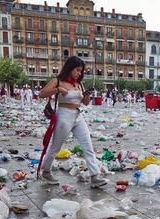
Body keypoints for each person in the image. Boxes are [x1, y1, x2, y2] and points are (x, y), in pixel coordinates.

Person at [39, 56, 109, 187]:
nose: (79, 73)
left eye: (81, 71)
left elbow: (85, 103)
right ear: (70, 68)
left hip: (78, 115)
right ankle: (46, 171)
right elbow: (42, 93)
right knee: (55, 147)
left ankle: (95, 176)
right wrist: (58, 90)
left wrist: (86, 97)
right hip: (64, 116)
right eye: (77, 70)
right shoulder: (58, 81)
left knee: (88, 146)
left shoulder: (79, 84)